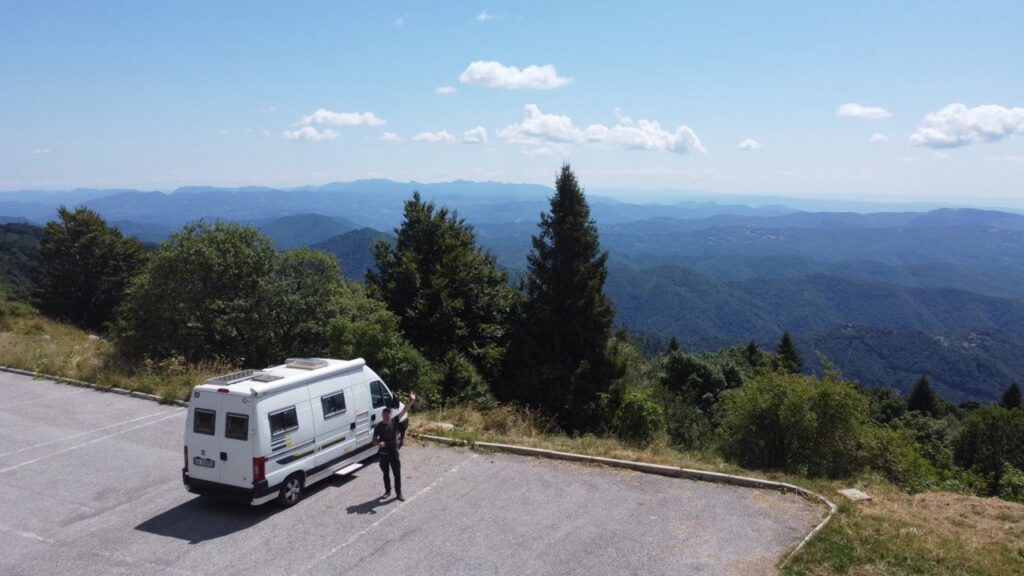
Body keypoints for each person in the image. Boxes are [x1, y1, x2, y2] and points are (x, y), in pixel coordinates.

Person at [373, 390, 416, 500]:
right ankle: (387, 491)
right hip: (383, 454)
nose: (386, 414)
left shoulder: (395, 421)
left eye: (388, 413)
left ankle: (399, 493)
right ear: (382, 415)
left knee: (397, 474)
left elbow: (405, 409)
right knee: (385, 474)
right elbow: (374, 440)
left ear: (389, 414)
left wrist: (412, 400)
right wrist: (379, 443)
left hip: (393, 453)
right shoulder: (378, 426)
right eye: (384, 413)